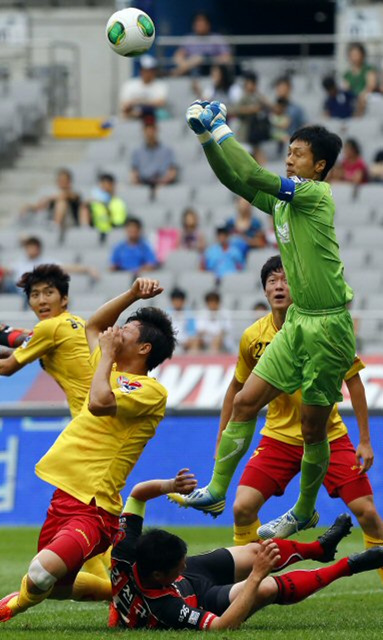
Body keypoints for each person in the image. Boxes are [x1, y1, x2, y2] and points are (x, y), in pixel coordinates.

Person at [179, 99, 356, 538]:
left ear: (318, 166)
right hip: (298, 321)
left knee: (314, 428)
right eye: (289, 150)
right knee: (244, 401)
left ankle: (304, 510)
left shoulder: (315, 195)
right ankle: (218, 488)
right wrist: (205, 137)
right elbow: (236, 179)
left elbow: (256, 174)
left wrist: (221, 126)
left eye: (297, 153)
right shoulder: (283, 204)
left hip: (330, 327)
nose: (289, 156)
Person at [171, 255, 383, 579]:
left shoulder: (321, 327)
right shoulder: (252, 338)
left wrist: (365, 440)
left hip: (329, 436)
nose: (279, 286)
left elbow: (354, 381)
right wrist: (221, 437)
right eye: (272, 281)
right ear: (265, 291)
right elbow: (235, 389)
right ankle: (244, 586)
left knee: (368, 514)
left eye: (285, 280)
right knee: (242, 508)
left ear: (298, 287)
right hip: (278, 438)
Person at [0, 279, 177, 624]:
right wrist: (131, 295)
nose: (117, 330)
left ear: (143, 349)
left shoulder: (150, 390)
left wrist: (107, 356)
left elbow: (99, 404)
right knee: (59, 586)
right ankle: (123, 591)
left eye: (127, 329)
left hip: (94, 507)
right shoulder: (107, 368)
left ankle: (10, 608)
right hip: (65, 497)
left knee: (39, 575)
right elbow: (94, 325)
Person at [109, 469, 383, 630]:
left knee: (256, 552)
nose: (183, 566)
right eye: (178, 565)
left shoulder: (125, 550)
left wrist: (171, 486)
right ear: (159, 575)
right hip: (204, 598)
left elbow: (136, 493)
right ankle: (350, 566)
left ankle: (318, 549)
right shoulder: (165, 608)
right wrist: (255, 576)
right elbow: (221, 628)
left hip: (193, 577)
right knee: (264, 588)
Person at [20, 168, 84, 237]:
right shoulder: (53, 193)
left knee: (61, 203)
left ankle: (55, 227)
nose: (62, 182)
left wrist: (49, 199)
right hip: (51, 219)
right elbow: (39, 205)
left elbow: (67, 196)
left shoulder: (74, 192)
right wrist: (29, 206)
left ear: (69, 181)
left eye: (64, 180)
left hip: (69, 223)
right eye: (60, 180)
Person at [173, 12, 232, 78]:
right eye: (197, 24)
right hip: (192, 69)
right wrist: (189, 64)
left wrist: (206, 59)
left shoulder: (217, 39)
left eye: (201, 23)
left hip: (213, 68)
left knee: (199, 60)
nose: (199, 26)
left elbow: (227, 58)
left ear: (208, 25)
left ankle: (173, 73)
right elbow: (178, 56)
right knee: (195, 60)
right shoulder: (189, 39)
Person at [81, 173, 128, 242]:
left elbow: (118, 224)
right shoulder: (94, 203)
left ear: (113, 186)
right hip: (95, 233)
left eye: (107, 185)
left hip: (111, 234)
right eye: (103, 185)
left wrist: (106, 207)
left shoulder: (118, 203)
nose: (105, 188)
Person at [120, 55, 169, 121]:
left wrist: (138, 103)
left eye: (151, 70)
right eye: (146, 70)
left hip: (153, 119)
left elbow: (160, 102)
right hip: (132, 117)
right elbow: (125, 104)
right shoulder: (130, 84)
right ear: (141, 71)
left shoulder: (161, 85)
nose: (148, 73)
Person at [131, 122, 178, 188]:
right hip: (144, 183)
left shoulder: (167, 151)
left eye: (152, 130)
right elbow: (134, 172)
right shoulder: (137, 152)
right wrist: (139, 187)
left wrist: (163, 183)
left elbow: (172, 171)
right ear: (143, 132)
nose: (150, 134)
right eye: (147, 131)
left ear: (156, 131)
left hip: (163, 184)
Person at [168, 287, 199, 353]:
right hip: (170, 341)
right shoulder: (166, 314)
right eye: (175, 300)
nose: (177, 302)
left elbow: (192, 331)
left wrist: (188, 341)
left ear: (183, 301)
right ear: (172, 301)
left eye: (180, 300)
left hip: (185, 342)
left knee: (195, 341)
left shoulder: (189, 314)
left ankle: (191, 361)